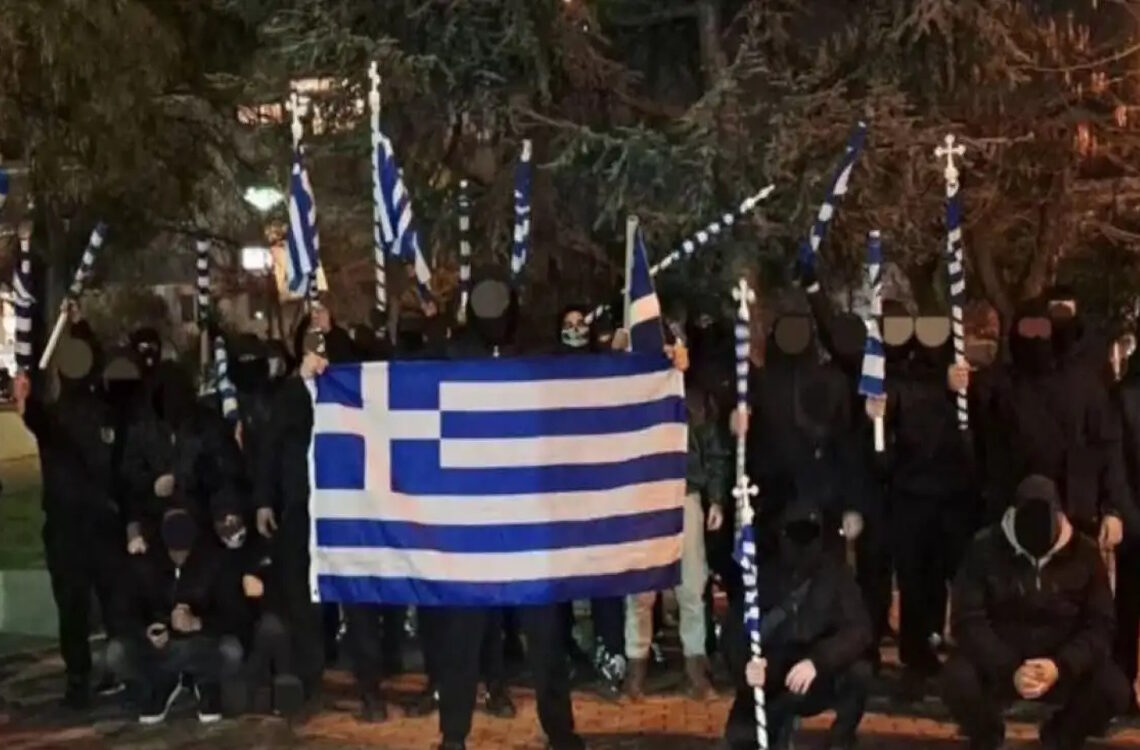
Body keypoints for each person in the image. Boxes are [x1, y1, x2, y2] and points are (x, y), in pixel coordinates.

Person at [940, 475, 1130, 750]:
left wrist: (1060, 666)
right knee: (956, 679)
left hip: (1060, 662)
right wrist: (1010, 667)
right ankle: (987, 734)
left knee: (1113, 689)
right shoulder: (984, 547)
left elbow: (1101, 624)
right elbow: (967, 619)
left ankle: (1061, 735)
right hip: (1003, 660)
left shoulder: (1085, 553)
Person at [14, 320, 126, 709]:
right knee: (110, 603)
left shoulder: (56, 416)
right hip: (100, 522)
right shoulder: (107, 414)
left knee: (74, 606)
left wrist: (25, 395)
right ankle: (116, 671)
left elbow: (32, 415)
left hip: (70, 526)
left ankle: (79, 679)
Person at [867, 310, 981, 688]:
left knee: (959, 578)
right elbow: (885, 439)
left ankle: (962, 650)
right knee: (916, 580)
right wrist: (877, 417)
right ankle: (917, 655)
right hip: (912, 497)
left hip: (957, 498)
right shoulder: (904, 384)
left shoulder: (965, 381)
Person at [253, 308, 351, 700]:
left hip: (339, 504)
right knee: (299, 589)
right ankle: (308, 671)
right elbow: (270, 449)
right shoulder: (289, 394)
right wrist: (264, 501)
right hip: (298, 504)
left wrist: (333, 329)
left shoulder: (342, 388)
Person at [724, 496, 873, 750]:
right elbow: (734, 629)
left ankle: (842, 738)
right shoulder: (763, 574)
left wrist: (818, 661)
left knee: (859, 672)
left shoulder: (835, 574)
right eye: (795, 533)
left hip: (818, 673)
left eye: (809, 533)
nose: (801, 543)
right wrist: (746, 666)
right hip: (773, 673)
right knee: (741, 739)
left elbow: (859, 630)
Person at [625, 349, 726, 702]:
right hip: (642, 498)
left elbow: (713, 450)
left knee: (692, 586)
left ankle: (695, 670)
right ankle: (635, 668)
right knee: (640, 589)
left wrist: (716, 498)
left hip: (685, 494)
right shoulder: (631, 395)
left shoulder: (694, 399)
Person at [106, 507, 245, 724]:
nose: (180, 558)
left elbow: (235, 614)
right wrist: (147, 630)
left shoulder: (214, 562)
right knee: (116, 653)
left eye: (185, 551)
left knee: (231, 650)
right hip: (161, 645)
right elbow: (122, 612)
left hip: (200, 643)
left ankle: (201, 681)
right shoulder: (144, 563)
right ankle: (158, 684)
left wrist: (198, 623)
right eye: (174, 552)